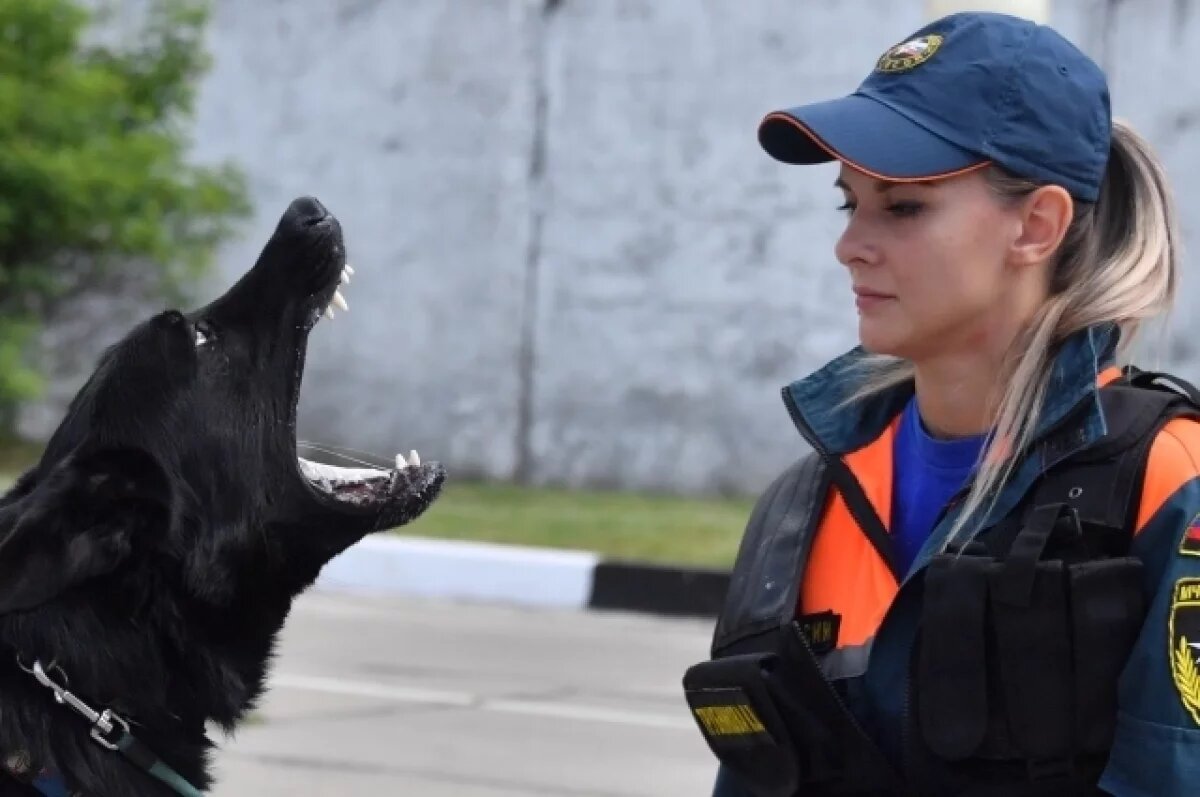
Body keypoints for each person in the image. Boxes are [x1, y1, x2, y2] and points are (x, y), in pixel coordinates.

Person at [683, 11, 1200, 797]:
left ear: (1037, 224)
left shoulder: (1164, 480)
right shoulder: (804, 504)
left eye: (903, 207)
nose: (850, 243)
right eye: (847, 203)